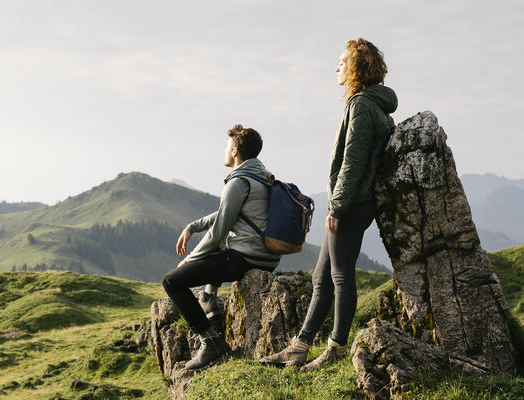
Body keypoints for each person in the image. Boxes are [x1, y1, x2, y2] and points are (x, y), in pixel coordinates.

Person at [260, 38, 397, 371]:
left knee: (340, 277)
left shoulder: (362, 105)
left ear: (357, 67)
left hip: (352, 203)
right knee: (321, 278)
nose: (336, 67)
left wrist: (336, 207)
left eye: (342, 61)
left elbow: (353, 161)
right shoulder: (369, 103)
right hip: (355, 201)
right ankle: (299, 346)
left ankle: (335, 347)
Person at [162, 124, 282, 371]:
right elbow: (227, 214)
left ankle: (211, 342)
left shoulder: (239, 182)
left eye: (227, 146)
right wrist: (193, 226)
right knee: (217, 250)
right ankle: (210, 302)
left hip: (246, 258)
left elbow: (219, 230)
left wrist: (189, 260)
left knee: (173, 282)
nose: (225, 151)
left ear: (236, 151)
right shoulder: (262, 176)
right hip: (267, 257)